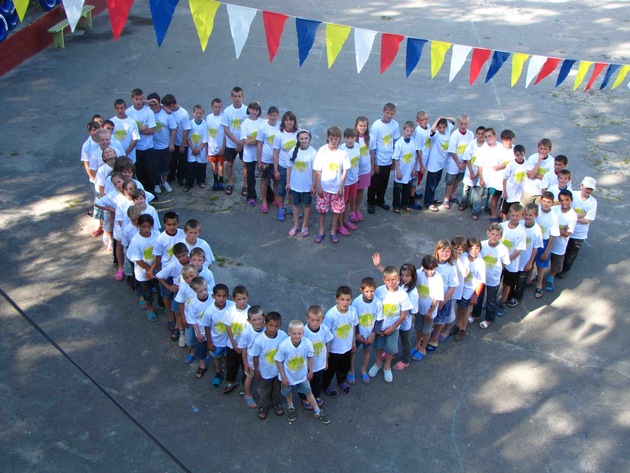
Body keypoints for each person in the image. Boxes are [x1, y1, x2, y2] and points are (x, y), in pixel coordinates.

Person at [275, 320, 331, 424]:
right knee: (288, 392)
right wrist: (283, 377)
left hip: (302, 375)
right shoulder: (284, 346)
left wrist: (311, 371)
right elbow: (279, 361)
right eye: (294, 333)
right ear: (289, 332)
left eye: (299, 333)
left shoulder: (307, 343)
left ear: (303, 332)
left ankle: (317, 410)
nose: (296, 336)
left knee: (308, 392)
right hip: (288, 376)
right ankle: (290, 406)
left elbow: (310, 357)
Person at [371, 255, 416, 371]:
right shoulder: (381, 290)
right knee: (381, 345)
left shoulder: (405, 293)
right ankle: (378, 363)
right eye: (388, 280)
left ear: (398, 279)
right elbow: (388, 274)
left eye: (408, 276)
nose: (391, 282)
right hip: (383, 325)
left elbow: (404, 315)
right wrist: (378, 266)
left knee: (397, 344)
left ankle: (396, 364)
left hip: (397, 326)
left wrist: (392, 328)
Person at [312, 126, 350, 244]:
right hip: (324, 187)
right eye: (331, 138)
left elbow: (345, 171)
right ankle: (321, 230)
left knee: (336, 211)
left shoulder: (343, 153)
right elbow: (317, 170)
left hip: (336, 188)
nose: (333, 141)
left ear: (339, 139)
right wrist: (318, 186)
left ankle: (333, 231)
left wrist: (341, 187)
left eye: (336, 139)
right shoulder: (322, 151)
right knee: (322, 211)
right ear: (327, 137)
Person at [471, 223, 510, 329]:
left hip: (493, 279)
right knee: (478, 297)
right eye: (492, 234)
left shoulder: (503, 249)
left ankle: (489, 319)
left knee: (491, 300)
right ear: (488, 233)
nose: (494, 237)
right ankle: (475, 315)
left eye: (497, 235)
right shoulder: (482, 245)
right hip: (480, 279)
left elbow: (504, 263)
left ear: (500, 236)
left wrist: (498, 272)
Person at [250, 311, 288, 420]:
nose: (273, 328)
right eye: (270, 325)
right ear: (265, 324)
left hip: (278, 371)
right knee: (265, 390)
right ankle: (263, 407)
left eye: (276, 326)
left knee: (277, 389)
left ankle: (276, 403)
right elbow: (255, 356)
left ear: (280, 326)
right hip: (265, 372)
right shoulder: (259, 340)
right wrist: (256, 370)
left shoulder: (283, 336)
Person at [322, 286, 358, 396]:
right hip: (334, 350)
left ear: (351, 300)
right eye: (342, 299)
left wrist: (353, 342)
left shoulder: (352, 311)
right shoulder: (330, 315)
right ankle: (326, 385)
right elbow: (325, 334)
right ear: (337, 299)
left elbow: (353, 326)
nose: (345, 302)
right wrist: (326, 352)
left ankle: (341, 381)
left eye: (348, 299)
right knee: (330, 370)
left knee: (344, 367)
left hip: (347, 347)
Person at [558, 177, 597, 277]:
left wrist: (572, 217)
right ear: (581, 186)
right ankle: (557, 268)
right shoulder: (573, 195)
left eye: (591, 189)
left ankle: (564, 270)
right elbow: (564, 207)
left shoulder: (593, 202)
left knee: (572, 253)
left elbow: (587, 220)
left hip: (579, 233)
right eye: (587, 188)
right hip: (566, 229)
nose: (588, 191)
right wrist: (581, 215)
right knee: (562, 250)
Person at [367, 103, 400, 214]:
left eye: (391, 113)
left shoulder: (395, 125)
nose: (389, 115)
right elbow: (373, 145)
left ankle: (380, 200)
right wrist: (375, 163)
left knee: (384, 183)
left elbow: (395, 143)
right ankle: (371, 202)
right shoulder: (376, 125)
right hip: (379, 160)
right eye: (387, 113)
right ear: (383, 111)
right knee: (374, 183)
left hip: (388, 159)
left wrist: (394, 161)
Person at [201, 283, 235, 388]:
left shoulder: (232, 306)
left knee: (227, 356)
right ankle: (218, 372)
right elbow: (206, 327)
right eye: (218, 296)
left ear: (227, 296)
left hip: (229, 341)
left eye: (224, 296)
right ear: (213, 296)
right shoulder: (209, 312)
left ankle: (224, 368)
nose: (221, 299)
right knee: (217, 357)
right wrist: (209, 342)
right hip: (216, 341)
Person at [126, 214, 160, 322]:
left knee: (160, 289)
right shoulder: (136, 241)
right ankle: (149, 308)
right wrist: (150, 270)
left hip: (156, 270)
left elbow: (160, 253)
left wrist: (153, 269)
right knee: (147, 292)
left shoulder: (157, 235)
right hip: (143, 273)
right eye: (144, 227)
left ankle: (162, 306)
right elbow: (138, 260)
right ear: (139, 226)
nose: (146, 229)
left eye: (149, 227)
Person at [427, 240, 459, 350]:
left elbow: (453, 287)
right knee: (428, 318)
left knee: (440, 320)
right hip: (430, 298)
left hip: (443, 299)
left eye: (448, 251)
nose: (445, 254)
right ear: (437, 251)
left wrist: (443, 301)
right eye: (442, 251)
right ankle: (425, 336)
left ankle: (434, 339)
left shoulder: (451, 267)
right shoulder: (431, 263)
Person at [451, 238, 485, 341]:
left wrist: (475, 295)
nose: (474, 251)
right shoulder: (464, 257)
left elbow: (481, 281)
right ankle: (457, 324)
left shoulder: (480, 263)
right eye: (471, 248)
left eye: (477, 248)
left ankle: (462, 328)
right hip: (460, 287)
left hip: (470, 290)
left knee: (466, 309)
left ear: (480, 249)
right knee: (459, 307)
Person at [349, 277, 382, 383]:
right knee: (353, 352)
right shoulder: (356, 302)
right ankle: (351, 371)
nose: (370, 294)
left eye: (372, 291)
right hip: (358, 335)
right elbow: (354, 320)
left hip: (369, 335)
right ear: (361, 290)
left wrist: (373, 335)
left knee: (366, 351)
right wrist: (357, 334)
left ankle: (363, 369)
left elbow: (378, 320)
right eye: (367, 291)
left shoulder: (378, 303)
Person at [300, 305, 333, 408]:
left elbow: (327, 343)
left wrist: (326, 360)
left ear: (322, 319)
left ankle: (316, 396)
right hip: (308, 365)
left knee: (318, 381)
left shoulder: (324, 329)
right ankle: (304, 398)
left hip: (320, 363)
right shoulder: (304, 332)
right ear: (307, 319)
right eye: (312, 320)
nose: (315, 323)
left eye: (318, 320)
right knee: (306, 382)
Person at [156, 241, 189, 341]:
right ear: (175, 256)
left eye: (184, 255)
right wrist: (169, 287)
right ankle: (178, 328)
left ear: (187, 252)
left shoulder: (193, 262)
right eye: (179, 256)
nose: (182, 258)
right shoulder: (173, 265)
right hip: (179, 291)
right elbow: (159, 276)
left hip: (192, 290)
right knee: (177, 310)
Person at [511, 203, 543, 305]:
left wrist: (530, 262)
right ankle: (509, 295)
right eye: (526, 214)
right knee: (512, 279)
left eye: (531, 215)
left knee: (521, 281)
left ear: (536, 216)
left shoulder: (537, 230)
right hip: (515, 258)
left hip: (525, 260)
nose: (528, 217)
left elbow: (535, 248)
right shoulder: (519, 224)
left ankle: (517, 298)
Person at [411, 255, 443, 359]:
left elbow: (437, 298)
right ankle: (417, 345)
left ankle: (423, 348)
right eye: (427, 269)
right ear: (423, 266)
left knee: (426, 330)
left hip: (430, 311)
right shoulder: (419, 273)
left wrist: (430, 312)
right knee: (418, 327)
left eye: (432, 270)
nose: (429, 272)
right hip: (419, 308)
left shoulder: (438, 278)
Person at [286, 129, 315, 237]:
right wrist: (288, 183)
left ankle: (304, 226)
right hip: (295, 184)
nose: (304, 140)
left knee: (307, 205)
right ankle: (296, 225)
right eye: (301, 138)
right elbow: (289, 168)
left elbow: (315, 171)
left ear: (309, 139)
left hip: (307, 185)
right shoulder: (292, 151)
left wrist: (313, 185)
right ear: (298, 139)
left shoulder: (313, 152)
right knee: (296, 205)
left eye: (306, 138)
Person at [126, 89, 157, 193]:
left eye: (140, 99)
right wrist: (143, 128)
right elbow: (129, 131)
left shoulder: (148, 112)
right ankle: (141, 192)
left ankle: (151, 191)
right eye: (136, 99)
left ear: (143, 99)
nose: (138, 102)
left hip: (148, 147)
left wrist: (136, 131)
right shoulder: (128, 112)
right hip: (135, 147)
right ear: (132, 99)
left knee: (149, 170)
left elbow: (152, 130)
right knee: (139, 171)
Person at [546, 190, 577, 292]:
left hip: (560, 245)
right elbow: (547, 222)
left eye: (567, 200)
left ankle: (551, 278)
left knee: (555, 264)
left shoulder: (572, 215)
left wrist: (554, 228)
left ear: (571, 200)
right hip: (548, 241)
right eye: (561, 200)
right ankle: (539, 275)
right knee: (543, 259)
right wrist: (561, 229)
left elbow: (567, 233)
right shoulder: (554, 209)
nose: (564, 202)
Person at [222, 286, 251, 393]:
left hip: (245, 348)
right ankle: (231, 380)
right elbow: (228, 327)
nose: (242, 301)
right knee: (231, 364)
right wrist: (233, 343)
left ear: (248, 297)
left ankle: (245, 384)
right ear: (234, 299)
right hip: (232, 345)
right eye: (239, 299)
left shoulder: (250, 312)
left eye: (244, 298)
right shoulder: (230, 311)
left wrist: (243, 346)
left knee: (245, 366)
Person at [498, 205, 527, 315]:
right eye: (513, 215)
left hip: (511, 264)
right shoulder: (502, 226)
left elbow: (518, 251)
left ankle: (502, 301)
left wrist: (505, 261)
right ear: (509, 214)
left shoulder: (521, 232)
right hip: (499, 262)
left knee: (507, 284)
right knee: (496, 283)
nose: (514, 218)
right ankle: (492, 301)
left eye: (517, 216)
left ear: (521, 217)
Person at [424, 116, 456, 211]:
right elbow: (432, 129)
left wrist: (444, 117)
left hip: (441, 163)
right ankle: (428, 202)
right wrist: (437, 119)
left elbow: (454, 120)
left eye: (443, 127)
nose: (442, 129)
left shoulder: (448, 130)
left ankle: (431, 198)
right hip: (434, 163)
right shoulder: (436, 134)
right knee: (431, 184)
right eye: (440, 127)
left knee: (436, 182)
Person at [184, 277, 214, 377]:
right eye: (200, 291)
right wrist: (198, 333)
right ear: (195, 291)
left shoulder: (212, 297)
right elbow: (193, 320)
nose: (204, 292)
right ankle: (202, 366)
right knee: (200, 349)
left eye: (205, 289)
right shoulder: (193, 303)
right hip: (201, 331)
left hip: (214, 329)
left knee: (216, 346)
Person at [237, 305, 266, 409]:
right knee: (249, 378)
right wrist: (245, 363)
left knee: (262, 377)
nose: (258, 322)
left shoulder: (267, 328)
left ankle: (260, 389)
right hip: (251, 362)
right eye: (254, 320)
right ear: (249, 321)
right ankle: (248, 394)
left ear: (264, 318)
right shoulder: (247, 332)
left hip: (264, 361)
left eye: (260, 319)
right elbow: (243, 348)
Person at [272, 111, 299, 220]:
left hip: (295, 167)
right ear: (283, 121)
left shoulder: (299, 132)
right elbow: (275, 153)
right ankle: (281, 208)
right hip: (283, 166)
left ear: (294, 121)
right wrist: (276, 170)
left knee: (293, 189)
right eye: (286, 120)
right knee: (282, 189)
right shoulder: (279, 134)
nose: (289, 122)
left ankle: (292, 207)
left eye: (291, 120)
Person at [147, 92, 176, 193]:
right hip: (153, 146)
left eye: (155, 104)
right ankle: (156, 184)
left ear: (160, 103)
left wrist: (171, 143)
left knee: (165, 166)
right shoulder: (148, 114)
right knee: (155, 167)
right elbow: (140, 104)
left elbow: (174, 129)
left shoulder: (167, 114)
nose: (153, 106)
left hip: (165, 146)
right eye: (151, 104)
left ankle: (165, 182)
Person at [221, 86, 247, 196]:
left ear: (243, 97)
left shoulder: (246, 110)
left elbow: (248, 127)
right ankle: (230, 182)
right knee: (230, 163)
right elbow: (226, 130)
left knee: (244, 164)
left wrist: (242, 142)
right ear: (232, 97)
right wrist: (237, 142)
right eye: (235, 96)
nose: (237, 98)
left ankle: (245, 185)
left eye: (239, 96)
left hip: (243, 143)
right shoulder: (227, 111)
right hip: (232, 143)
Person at [533, 192, 560, 298]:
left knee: (541, 266)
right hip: (532, 241)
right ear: (540, 200)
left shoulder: (553, 217)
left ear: (553, 203)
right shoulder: (535, 210)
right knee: (530, 262)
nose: (546, 204)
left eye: (549, 202)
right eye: (544, 201)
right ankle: (529, 279)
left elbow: (552, 236)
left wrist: (546, 251)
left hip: (544, 243)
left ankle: (539, 285)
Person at [445, 115, 474, 208]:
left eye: (465, 124)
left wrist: (465, 163)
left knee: (458, 179)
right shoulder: (455, 135)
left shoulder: (470, 134)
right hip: (454, 162)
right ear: (458, 123)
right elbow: (453, 151)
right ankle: (446, 198)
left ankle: (452, 195)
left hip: (464, 162)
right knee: (450, 180)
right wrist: (458, 163)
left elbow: (470, 150)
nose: (463, 126)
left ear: (468, 124)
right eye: (461, 124)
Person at [161, 93, 190, 185]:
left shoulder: (183, 114)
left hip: (181, 142)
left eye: (166, 106)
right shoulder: (168, 110)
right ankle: (171, 176)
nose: (165, 108)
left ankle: (181, 177)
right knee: (172, 162)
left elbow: (186, 131)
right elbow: (158, 105)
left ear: (172, 105)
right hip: (172, 142)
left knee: (182, 162)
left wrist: (182, 145)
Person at [476, 128, 505, 222]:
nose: (488, 138)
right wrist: (481, 179)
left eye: (490, 136)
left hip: (498, 178)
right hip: (486, 177)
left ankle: (492, 210)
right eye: (486, 137)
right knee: (480, 194)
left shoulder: (501, 147)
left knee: (494, 196)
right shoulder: (483, 149)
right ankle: (476, 211)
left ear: (495, 136)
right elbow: (479, 166)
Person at [459, 126, 486, 219]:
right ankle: (464, 202)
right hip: (470, 171)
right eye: (479, 133)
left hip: (481, 172)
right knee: (466, 188)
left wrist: (477, 174)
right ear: (476, 134)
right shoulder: (471, 143)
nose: (480, 135)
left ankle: (476, 210)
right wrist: (471, 172)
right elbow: (468, 158)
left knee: (478, 191)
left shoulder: (487, 146)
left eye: (483, 134)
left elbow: (485, 162)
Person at [256, 106, 280, 211]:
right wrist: (259, 161)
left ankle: (276, 199)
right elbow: (259, 145)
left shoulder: (281, 127)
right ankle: (264, 201)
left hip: (278, 160)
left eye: (275, 115)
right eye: (271, 115)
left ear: (278, 116)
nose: (273, 117)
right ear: (268, 116)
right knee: (264, 181)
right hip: (266, 159)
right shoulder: (262, 127)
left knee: (276, 181)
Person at [240, 101, 264, 205]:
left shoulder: (262, 122)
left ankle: (267, 197)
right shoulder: (245, 123)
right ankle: (251, 196)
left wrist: (252, 140)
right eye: (253, 109)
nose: (254, 112)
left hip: (261, 155)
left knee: (265, 176)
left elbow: (265, 140)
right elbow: (246, 142)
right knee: (250, 176)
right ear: (249, 109)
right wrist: (258, 140)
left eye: (257, 110)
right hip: (249, 155)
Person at [391, 121, 417, 213]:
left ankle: (405, 204)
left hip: (409, 171)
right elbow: (396, 158)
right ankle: (396, 206)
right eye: (407, 131)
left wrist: (414, 169)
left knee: (407, 189)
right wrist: (398, 171)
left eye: (411, 131)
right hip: (401, 170)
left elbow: (415, 156)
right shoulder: (399, 143)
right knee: (397, 190)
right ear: (403, 130)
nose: (409, 133)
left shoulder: (414, 141)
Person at [338, 128, 360, 233]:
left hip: (354, 180)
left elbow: (358, 164)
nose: (350, 140)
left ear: (355, 138)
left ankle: (345, 220)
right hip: (345, 182)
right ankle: (340, 224)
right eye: (348, 137)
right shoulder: (341, 149)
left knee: (350, 200)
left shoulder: (358, 147)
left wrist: (358, 176)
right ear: (344, 138)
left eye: (352, 137)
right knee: (343, 202)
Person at [520, 138, 554, 205]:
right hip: (529, 190)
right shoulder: (532, 158)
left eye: (545, 149)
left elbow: (549, 179)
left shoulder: (552, 161)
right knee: (523, 211)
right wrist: (539, 162)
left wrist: (534, 174)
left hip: (541, 192)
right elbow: (530, 176)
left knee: (537, 213)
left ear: (550, 150)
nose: (542, 151)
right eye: (541, 148)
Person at [184, 105, 209, 191]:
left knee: (202, 165)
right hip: (192, 149)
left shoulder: (205, 124)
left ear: (203, 114)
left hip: (201, 149)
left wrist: (198, 149)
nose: (198, 115)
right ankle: (189, 183)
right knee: (191, 166)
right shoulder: (190, 123)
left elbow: (206, 138)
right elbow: (188, 137)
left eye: (200, 113)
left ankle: (201, 180)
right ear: (193, 113)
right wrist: (193, 148)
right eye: (197, 113)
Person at [176, 266, 200, 351]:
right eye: (186, 277)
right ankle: (192, 351)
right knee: (189, 338)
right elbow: (181, 303)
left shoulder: (204, 286)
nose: (189, 279)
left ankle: (203, 355)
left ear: (197, 274)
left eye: (191, 276)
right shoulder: (183, 288)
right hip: (189, 318)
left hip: (201, 318)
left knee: (202, 337)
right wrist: (183, 318)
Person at [502, 145, 527, 220]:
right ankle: (505, 220)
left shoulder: (527, 164)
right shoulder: (511, 165)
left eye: (521, 155)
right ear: (514, 155)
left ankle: (516, 220)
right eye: (518, 155)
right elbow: (504, 179)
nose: (520, 157)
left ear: (524, 154)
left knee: (518, 208)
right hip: (511, 191)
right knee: (506, 207)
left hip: (520, 192)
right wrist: (504, 191)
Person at [353, 116, 371, 221]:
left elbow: (371, 153)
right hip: (355, 171)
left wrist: (372, 167)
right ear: (356, 126)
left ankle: (357, 209)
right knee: (354, 191)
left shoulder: (369, 137)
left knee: (361, 191)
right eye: (360, 125)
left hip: (366, 170)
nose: (362, 128)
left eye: (365, 126)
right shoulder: (353, 138)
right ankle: (351, 210)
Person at [206, 98, 226, 191]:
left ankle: (221, 180)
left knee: (221, 164)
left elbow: (225, 133)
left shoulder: (223, 118)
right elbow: (206, 132)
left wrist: (223, 147)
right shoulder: (208, 118)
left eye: (219, 107)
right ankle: (215, 181)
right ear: (212, 107)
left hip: (221, 145)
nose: (217, 109)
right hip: (212, 147)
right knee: (214, 164)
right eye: (215, 107)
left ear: (221, 107)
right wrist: (207, 146)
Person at [412, 111, 431, 207]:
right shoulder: (418, 132)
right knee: (416, 179)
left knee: (419, 178)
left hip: (425, 158)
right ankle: (411, 196)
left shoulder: (428, 127)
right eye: (422, 120)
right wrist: (421, 165)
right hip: (419, 161)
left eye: (426, 119)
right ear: (417, 121)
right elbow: (418, 150)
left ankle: (414, 192)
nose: (425, 121)